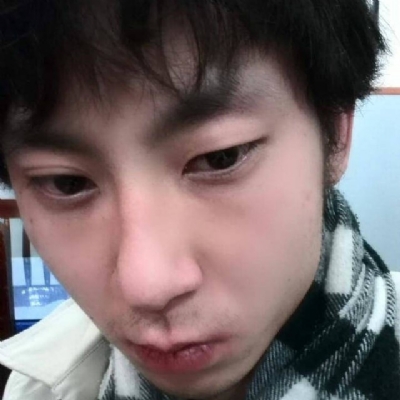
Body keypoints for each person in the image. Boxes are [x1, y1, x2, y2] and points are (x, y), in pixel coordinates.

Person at [0, 1, 399, 399]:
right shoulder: (33, 388)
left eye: (220, 157)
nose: (148, 286)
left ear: (336, 133)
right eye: (66, 183)